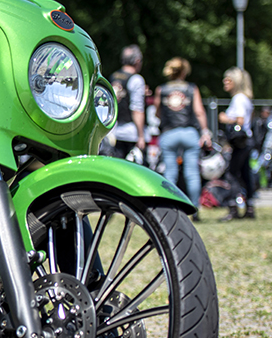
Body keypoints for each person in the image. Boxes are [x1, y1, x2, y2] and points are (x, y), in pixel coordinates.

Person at [154, 58, 212, 219]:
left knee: (170, 173)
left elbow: (157, 112)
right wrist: (205, 131)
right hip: (189, 133)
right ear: (184, 72)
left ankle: (170, 209)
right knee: (192, 173)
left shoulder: (162, 89)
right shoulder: (191, 89)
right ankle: (195, 210)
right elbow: (199, 112)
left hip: (169, 133)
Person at [217, 67, 255, 220]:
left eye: (228, 79)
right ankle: (250, 208)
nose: (225, 82)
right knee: (246, 175)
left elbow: (240, 120)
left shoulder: (238, 99)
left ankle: (233, 207)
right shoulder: (245, 98)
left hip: (241, 142)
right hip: (247, 141)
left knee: (232, 174)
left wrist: (225, 118)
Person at [107, 44, 147, 161]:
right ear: (137, 61)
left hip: (114, 131)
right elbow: (137, 109)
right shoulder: (136, 79)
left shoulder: (113, 76)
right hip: (131, 134)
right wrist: (141, 136)